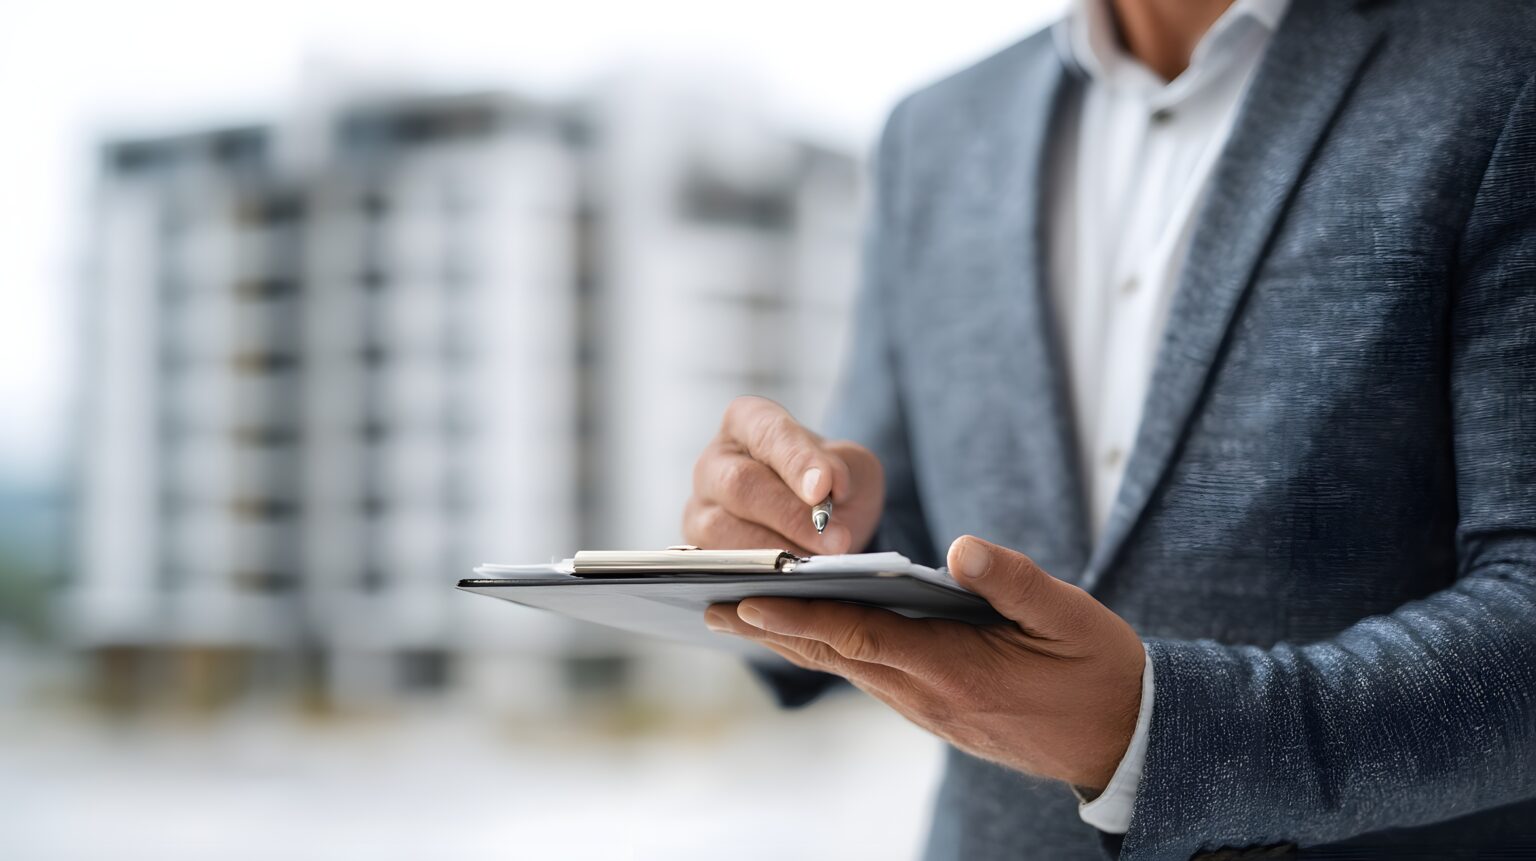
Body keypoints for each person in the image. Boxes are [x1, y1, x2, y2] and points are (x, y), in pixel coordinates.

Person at [681, 0, 1536, 858]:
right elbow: (890, 522)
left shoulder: (1501, 65)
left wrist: (1159, 733)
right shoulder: (933, 132)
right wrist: (795, 531)